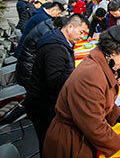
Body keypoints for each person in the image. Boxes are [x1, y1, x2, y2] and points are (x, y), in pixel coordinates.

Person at [43, 26, 120, 158]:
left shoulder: (100, 61)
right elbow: (93, 124)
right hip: (71, 141)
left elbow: (98, 100)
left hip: (80, 132)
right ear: (115, 50)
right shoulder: (91, 74)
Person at [25, 14, 89, 155]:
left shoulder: (58, 39)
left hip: (44, 100)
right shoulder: (55, 48)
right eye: (81, 32)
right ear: (70, 27)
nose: (82, 37)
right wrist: (79, 77)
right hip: (43, 104)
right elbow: (54, 80)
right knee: (50, 143)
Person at [16, 17, 67, 90]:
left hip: (28, 65)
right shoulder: (47, 33)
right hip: (29, 71)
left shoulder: (46, 25)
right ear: (59, 28)